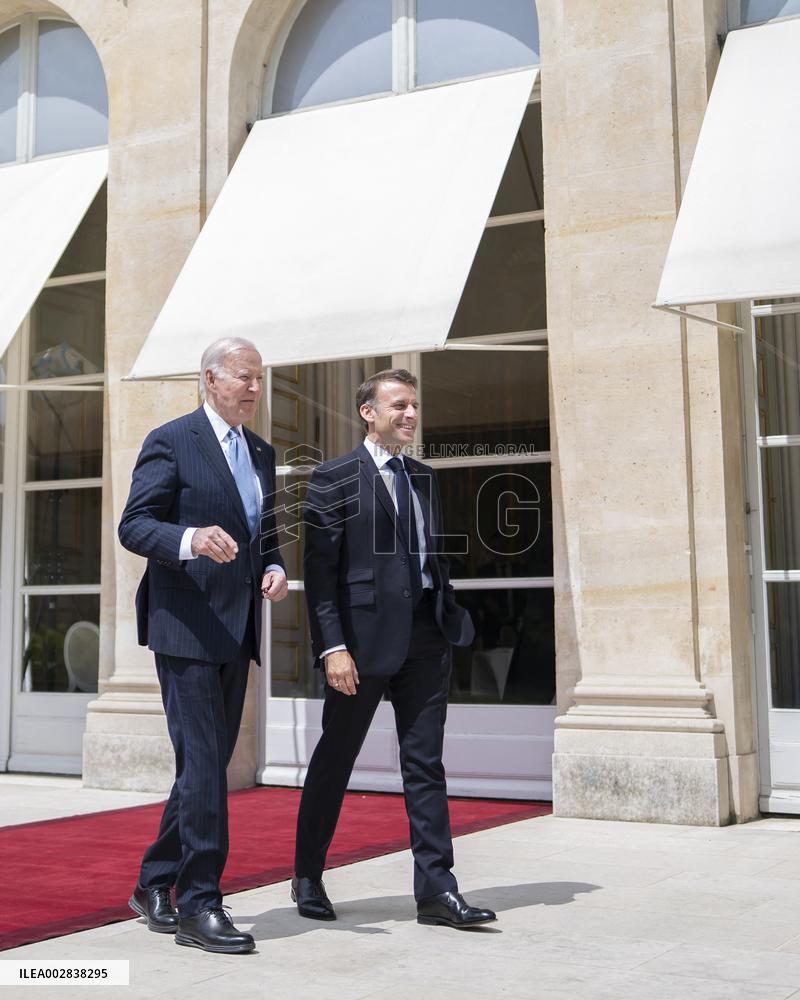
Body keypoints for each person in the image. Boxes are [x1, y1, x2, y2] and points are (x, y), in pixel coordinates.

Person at [293, 369, 496, 929]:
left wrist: (446, 606)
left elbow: (430, 557)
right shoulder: (333, 478)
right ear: (369, 412)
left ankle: (436, 891)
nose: (410, 414)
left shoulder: (425, 479)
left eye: (414, 405)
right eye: (399, 405)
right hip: (359, 646)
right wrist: (332, 647)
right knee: (336, 759)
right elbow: (321, 574)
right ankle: (308, 875)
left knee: (425, 765)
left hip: (427, 639)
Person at [118, 336, 287, 954]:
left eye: (260, 379)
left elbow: (261, 533)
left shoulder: (262, 453)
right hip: (185, 627)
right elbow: (134, 525)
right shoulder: (172, 439)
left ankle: (154, 883)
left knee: (205, 766)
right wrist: (190, 539)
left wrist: (274, 567)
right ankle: (200, 904)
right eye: (244, 377)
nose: (253, 389)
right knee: (206, 766)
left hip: (237, 628)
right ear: (210, 378)